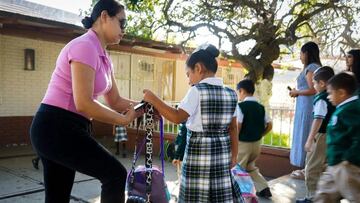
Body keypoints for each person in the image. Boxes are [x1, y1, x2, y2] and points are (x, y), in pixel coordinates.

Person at [29, 1, 139, 202]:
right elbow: (84, 103)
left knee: (57, 197)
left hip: (66, 127)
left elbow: (115, 100)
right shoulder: (85, 46)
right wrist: (122, 121)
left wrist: (143, 107)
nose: (125, 30)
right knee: (115, 175)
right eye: (122, 23)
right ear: (104, 16)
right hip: (56, 126)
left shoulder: (103, 55)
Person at [143, 44, 242, 202]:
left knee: (195, 197)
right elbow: (233, 128)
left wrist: (153, 99)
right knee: (218, 196)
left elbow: (177, 117)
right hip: (221, 155)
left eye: (188, 74)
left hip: (198, 155)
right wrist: (234, 155)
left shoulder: (197, 91)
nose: (189, 81)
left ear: (198, 68)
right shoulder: (231, 94)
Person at [314, 72, 360, 203]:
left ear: (341, 93)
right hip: (334, 164)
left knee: (355, 197)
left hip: (347, 166)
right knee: (323, 196)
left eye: (330, 93)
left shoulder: (352, 109)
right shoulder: (342, 108)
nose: (328, 97)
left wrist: (349, 158)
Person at [296, 66, 335, 203]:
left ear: (322, 84)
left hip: (321, 135)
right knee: (324, 167)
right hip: (330, 135)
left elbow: (318, 119)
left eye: (314, 83)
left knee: (311, 167)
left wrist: (310, 138)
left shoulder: (321, 99)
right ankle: (323, 196)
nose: (313, 85)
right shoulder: (332, 97)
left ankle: (312, 197)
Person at [236, 79, 273, 199]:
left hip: (243, 144)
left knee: (238, 169)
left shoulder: (241, 106)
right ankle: (263, 188)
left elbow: (238, 126)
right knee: (250, 167)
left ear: (242, 91)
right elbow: (270, 125)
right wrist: (260, 134)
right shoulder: (261, 107)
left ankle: (245, 194)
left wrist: (234, 140)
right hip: (257, 144)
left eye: (238, 92)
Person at [289, 41, 321, 178]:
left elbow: (313, 89)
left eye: (301, 53)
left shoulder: (311, 68)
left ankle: (306, 169)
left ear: (307, 53)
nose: (300, 56)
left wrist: (297, 92)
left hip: (307, 107)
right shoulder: (317, 67)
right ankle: (306, 168)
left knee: (305, 132)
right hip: (306, 105)